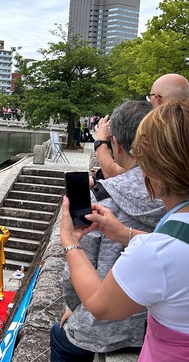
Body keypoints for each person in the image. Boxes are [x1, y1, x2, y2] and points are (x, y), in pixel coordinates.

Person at [60, 100, 189, 361]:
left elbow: (99, 304)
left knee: (60, 340)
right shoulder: (170, 233)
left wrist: (69, 241)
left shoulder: (153, 252)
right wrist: (125, 234)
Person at [95, 73, 189, 180]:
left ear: (157, 98)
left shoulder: (160, 131)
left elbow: (117, 172)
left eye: (150, 97)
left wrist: (101, 141)